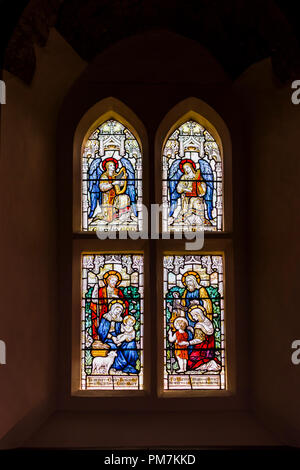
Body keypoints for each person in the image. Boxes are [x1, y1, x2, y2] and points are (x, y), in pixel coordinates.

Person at [98, 303, 139, 374]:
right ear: (113, 308)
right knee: (114, 347)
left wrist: (126, 336)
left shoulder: (120, 320)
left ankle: (130, 366)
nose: (118, 312)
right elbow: (101, 331)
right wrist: (112, 337)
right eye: (117, 309)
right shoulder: (106, 317)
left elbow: (122, 331)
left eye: (120, 311)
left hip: (118, 337)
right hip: (108, 337)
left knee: (131, 345)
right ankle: (116, 367)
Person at [90, 270, 128, 340]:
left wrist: (118, 299)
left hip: (116, 313)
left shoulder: (118, 291)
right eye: (113, 280)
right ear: (107, 280)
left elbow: (125, 303)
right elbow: (95, 300)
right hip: (103, 312)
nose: (114, 282)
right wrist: (95, 288)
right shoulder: (101, 290)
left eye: (116, 281)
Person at [183, 305, 221, 371]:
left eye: (193, 316)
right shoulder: (208, 322)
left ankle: (210, 365)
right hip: (209, 349)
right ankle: (211, 364)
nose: (193, 319)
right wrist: (192, 330)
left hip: (200, 350)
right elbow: (203, 335)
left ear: (197, 315)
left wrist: (188, 343)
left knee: (191, 364)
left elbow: (199, 339)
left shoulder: (199, 325)